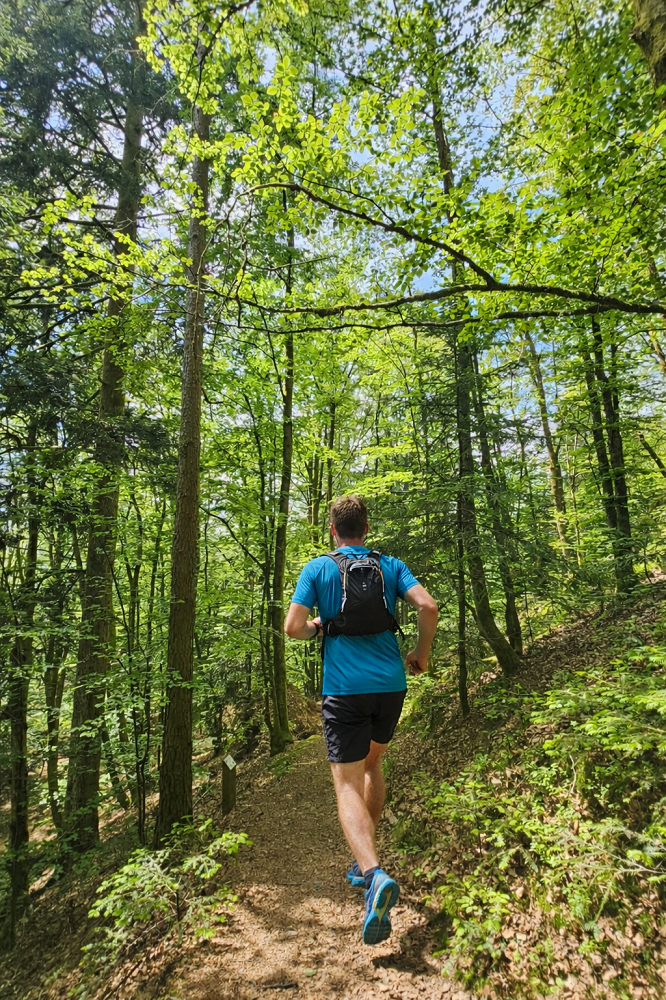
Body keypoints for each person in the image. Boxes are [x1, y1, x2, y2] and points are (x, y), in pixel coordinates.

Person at [284, 494, 438, 945]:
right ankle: (362, 862)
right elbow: (427, 607)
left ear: (333, 530)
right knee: (373, 767)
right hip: (390, 688)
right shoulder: (390, 565)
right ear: (365, 529)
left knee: (347, 784)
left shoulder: (318, 568)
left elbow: (293, 627)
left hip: (345, 692)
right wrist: (420, 655)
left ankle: (372, 876)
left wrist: (318, 627)